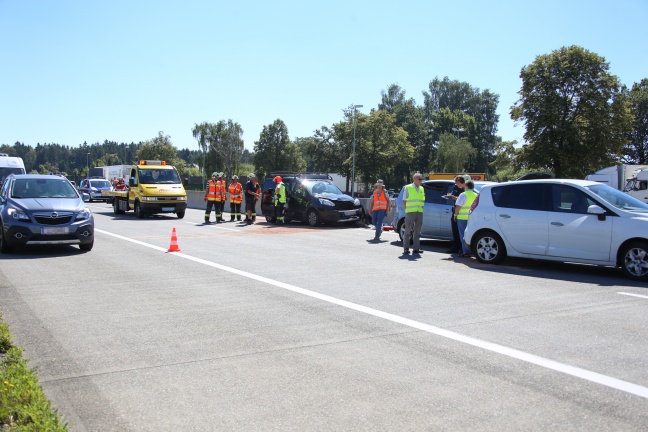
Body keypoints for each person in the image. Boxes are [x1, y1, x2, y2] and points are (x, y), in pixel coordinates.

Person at [402, 173, 425, 254]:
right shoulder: (408, 187)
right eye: (419, 179)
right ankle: (406, 248)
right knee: (408, 231)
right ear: (414, 179)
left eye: (421, 179)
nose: (421, 180)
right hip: (410, 212)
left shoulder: (422, 188)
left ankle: (416, 248)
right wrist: (407, 209)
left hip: (419, 212)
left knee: (417, 231)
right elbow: (404, 200)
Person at [454, 180, 478, 257]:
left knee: (463, 235)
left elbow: (458, 206)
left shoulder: (463, 195)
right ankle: (472, 251)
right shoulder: (476, 195)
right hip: (473, 218)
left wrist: (455, 215)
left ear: (466, 186)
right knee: (472, 235)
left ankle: (466, 252)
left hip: (462, 218)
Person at [444, 176, 466, 253]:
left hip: (463, 213)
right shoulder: (456, 187)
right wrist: (450, 196)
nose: (456, 184)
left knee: (462, 232)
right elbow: (454, 195)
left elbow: (462, 200)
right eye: (455, 183)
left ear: (462, 182)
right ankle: (455, 247)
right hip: (455, 211)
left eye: (457, 183)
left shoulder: (466, 189)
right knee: (455, 231)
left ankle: (462, 248)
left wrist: (454, 197)